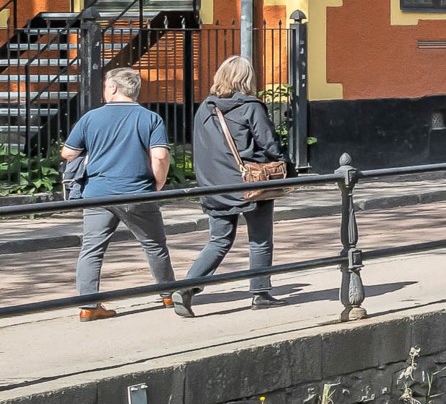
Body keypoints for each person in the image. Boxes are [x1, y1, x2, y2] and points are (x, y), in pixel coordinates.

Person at [65, 65, 172, 320]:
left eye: (105, 86)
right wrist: (159, 182)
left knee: (92, 248)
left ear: (113, 87)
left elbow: (69, 153)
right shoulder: (150, 118)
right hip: (137, 191)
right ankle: (169, 293)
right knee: (154, 244)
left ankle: (88, 306)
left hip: (98, 192)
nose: (104, 90)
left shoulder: (91, 118)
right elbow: (160, 155)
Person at [178, 56, 283, 314]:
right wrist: (282, 161)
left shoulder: (205, 108)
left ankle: (186, 288)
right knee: (259, 240)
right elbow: (268, 143)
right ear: (247, 79)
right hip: (250, 183)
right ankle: (260, 293)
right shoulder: (251, 106)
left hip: (215, 184)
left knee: (219, 240)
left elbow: (201, 148)